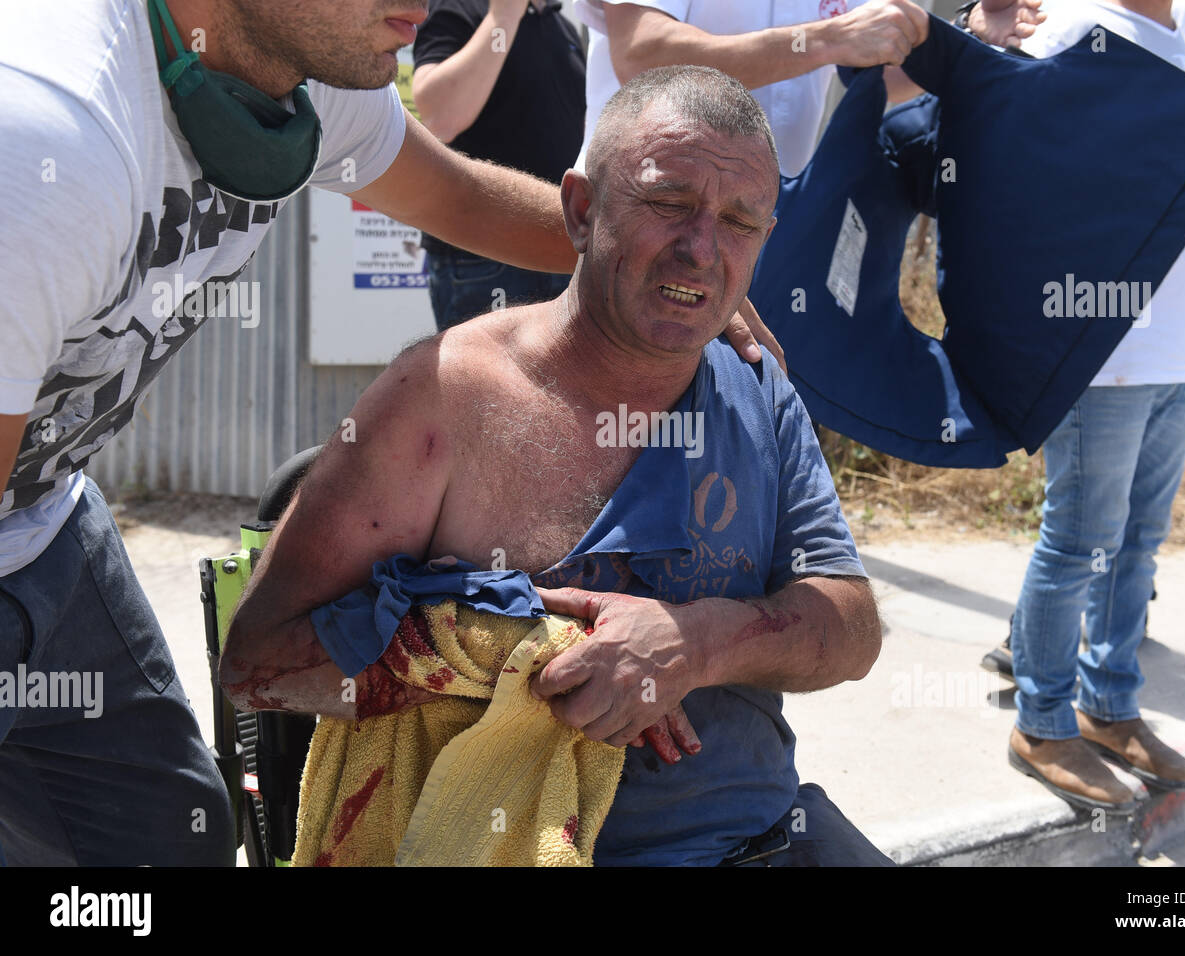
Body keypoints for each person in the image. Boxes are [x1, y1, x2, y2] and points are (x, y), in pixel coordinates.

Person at [0, 0, 773, 867]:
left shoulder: (309, 69)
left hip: (42, 526)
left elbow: (459, 195)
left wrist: (660, 261)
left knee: (162, 844)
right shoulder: (45, 144)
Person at [222, 65, 892, 866]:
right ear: (581, 209)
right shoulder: (442, 397)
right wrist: (521, 646)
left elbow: (850, 627)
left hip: (768, 840)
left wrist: (696, 643)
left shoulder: (756, 386)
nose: (701, 249)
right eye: (669, 204)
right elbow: (258, 665)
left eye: (739, 221)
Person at [994, 0, 1185, 813]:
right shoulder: (1074, 31)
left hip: (1183, 341)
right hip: (1107, 344)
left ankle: (1110, 709)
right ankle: (1040, 721)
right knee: (1078, 543)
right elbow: (1020, 178)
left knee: (1138, 545)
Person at [574, 0, 1046, 176]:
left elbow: (881, 70)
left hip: (761, 225)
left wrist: (969, 32)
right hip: (646, 205)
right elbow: (642, 54)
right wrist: (826, 41)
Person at [412, 0, 585, 329]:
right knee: (484, 381)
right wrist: (504, 15)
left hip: (563, 252)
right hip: (484, 255)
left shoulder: (561, 25)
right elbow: (440, 117)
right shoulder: (462, 7)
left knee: (567, 382)